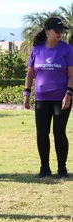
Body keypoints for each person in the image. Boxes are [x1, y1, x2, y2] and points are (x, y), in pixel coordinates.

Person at [24, 17, 73, 178]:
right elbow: (30, 73)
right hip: (42, 99)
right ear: (47, 31)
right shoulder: (36, 50)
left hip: (62, 98)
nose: (60, 33)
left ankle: (62, 169)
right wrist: (27, 93)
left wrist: (69, 93)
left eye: (62, 31)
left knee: (59, 132)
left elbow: (72, 74)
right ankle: (44, 168)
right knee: (41, 133)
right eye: (56, 30)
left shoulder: (67, 49)